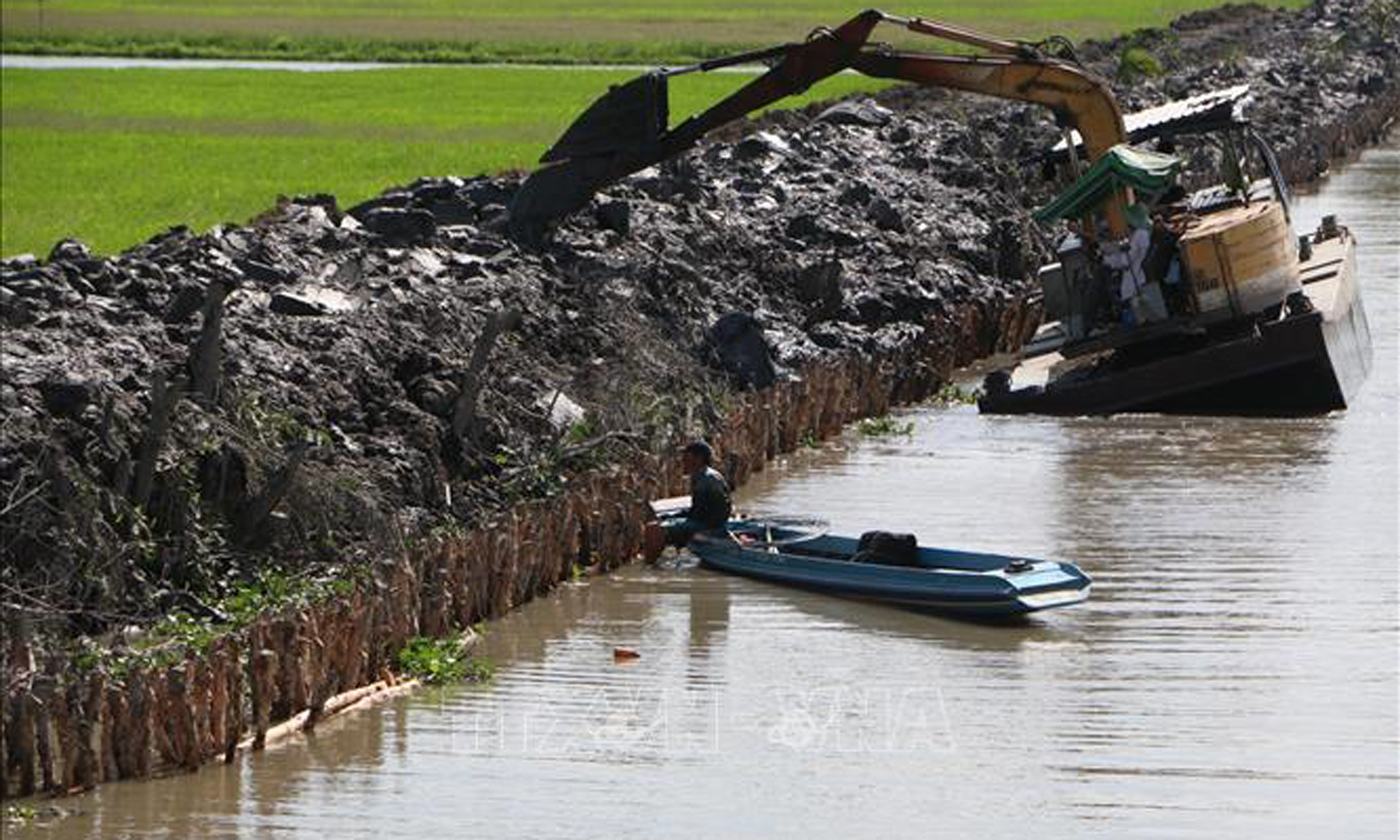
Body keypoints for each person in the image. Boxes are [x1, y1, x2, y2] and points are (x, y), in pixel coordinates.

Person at [643, 441, 732, 563]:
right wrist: (671, 516)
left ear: (698, 459)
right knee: (659, 523)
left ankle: (650, 566)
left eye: (686, 457)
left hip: (709, 525)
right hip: (710, 522)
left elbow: (699, 514)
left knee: (653, 529)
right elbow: (700, 510)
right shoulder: (706, 475)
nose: (683, 461)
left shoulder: (705, 479)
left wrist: (670, 517)